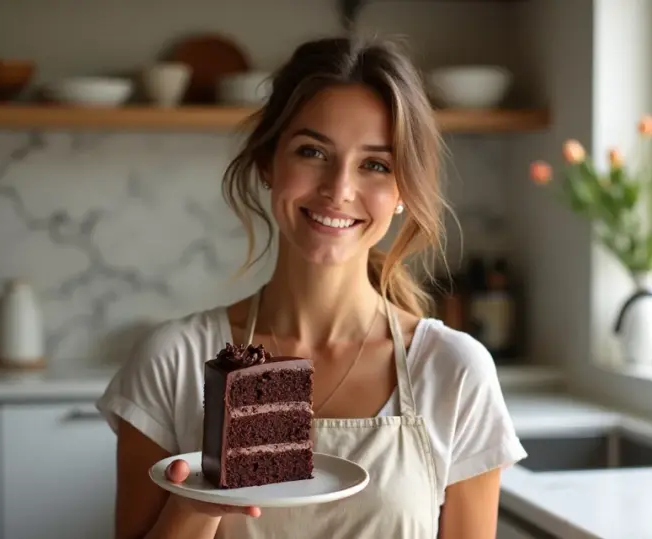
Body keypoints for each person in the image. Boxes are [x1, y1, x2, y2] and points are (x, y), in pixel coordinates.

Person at [96, 35, 526, 539]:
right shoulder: (172, 362)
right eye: (312, 151)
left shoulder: (453, 371)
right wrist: (198, 503)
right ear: (266, 162)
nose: (338, 189)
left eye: (375, 164)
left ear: (404, 190)